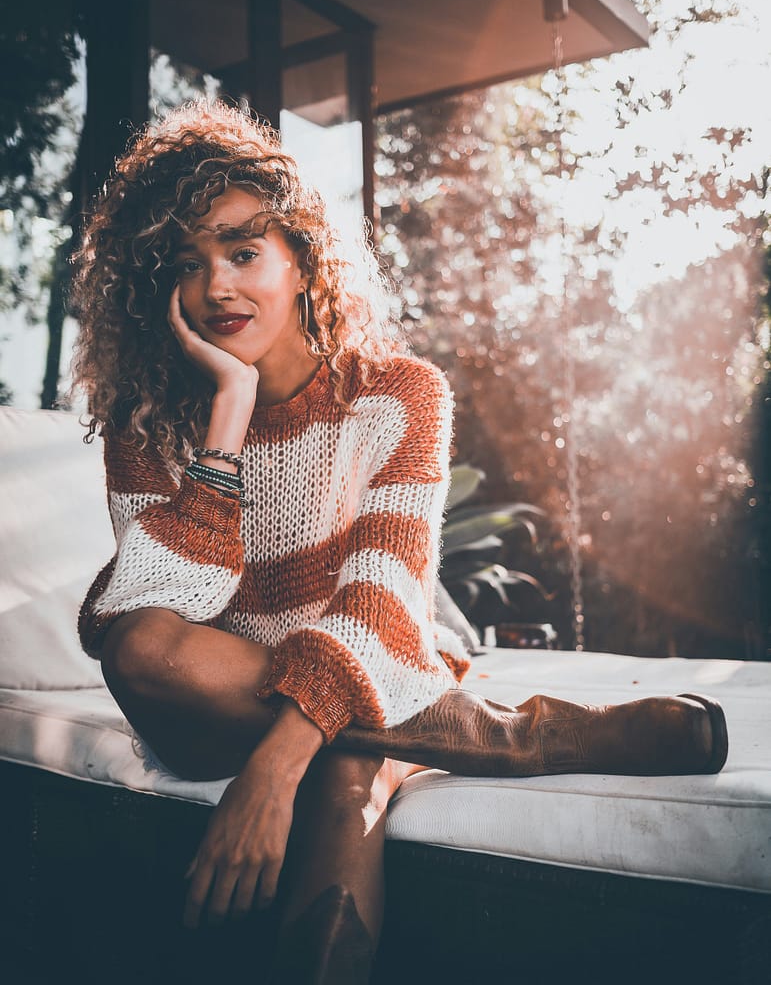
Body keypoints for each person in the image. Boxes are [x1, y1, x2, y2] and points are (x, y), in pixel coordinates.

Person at [72, 99, 728, 984]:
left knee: (347, 784)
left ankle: (389, 749)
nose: (217, 287)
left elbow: (382, 601)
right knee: (140, 646)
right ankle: (521, 737)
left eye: (242, 250)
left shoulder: (398, 394)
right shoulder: (149, 426)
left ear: (302, 258)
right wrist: (225, 421)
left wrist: (277, 765)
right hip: (206, 703)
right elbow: (152, 613)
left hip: (360, 670)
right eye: (186, 265)